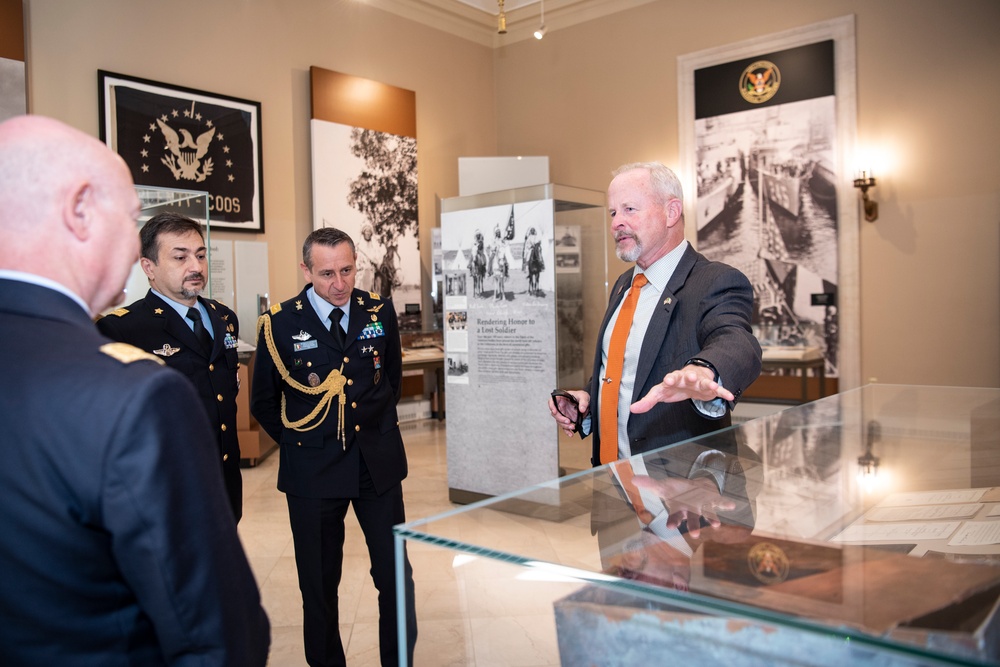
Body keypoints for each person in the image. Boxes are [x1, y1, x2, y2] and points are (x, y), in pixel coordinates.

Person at [0, 115, 269, 664]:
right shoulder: (132, 389)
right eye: (127, 220)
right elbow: (215, 628)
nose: (130, 245)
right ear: (79, 212)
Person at [250, 227, 417, 667]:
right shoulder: (280, 323)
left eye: (347, 270)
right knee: (320, 587)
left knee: (396, 578)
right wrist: (308, 443)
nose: (339, 283)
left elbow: (392, 381)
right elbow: (265, 404)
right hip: (313, 472)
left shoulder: (377, 310)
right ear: (305, 270)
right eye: (326, 274)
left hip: (376, 467)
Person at [549, 161, 762, 465]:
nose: (616, 223)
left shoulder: (715, 281)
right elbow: (626, 369)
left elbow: (736, 340)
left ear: (671, 212)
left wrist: (705, 369)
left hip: (681, 491)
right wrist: (587, 399)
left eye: (629, 210)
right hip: (610, 481)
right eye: (613, 213)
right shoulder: (625, 284)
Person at [97, 211, 244, 522]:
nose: (196, 267)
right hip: (167, 487)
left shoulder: (224, 318)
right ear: (149, 267)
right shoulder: (124, 330)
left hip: (224, 480)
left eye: (201, 255)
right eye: (180, 257)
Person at [356, 221, 382, 293]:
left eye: (369, 231)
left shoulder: (375, 246)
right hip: (361, 272)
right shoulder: (359, 247)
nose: (368, 233)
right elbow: (356, 261)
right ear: (363, 233)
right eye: (366, 231)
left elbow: (379, 258)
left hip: (373, 271)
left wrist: (376, 262)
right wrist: (361, 266)